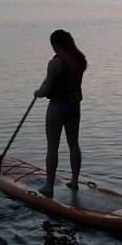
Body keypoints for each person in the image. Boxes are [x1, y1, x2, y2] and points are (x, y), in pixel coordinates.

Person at [34, 29, 87, 197]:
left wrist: (38, 93)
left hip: (57, 107)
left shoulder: (55, 63)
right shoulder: (80, 60)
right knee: (73, 144)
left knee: (52, 147)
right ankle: (74, 181)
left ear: (56, 44)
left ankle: (49, 187)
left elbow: (47, 88)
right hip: (74, 107)